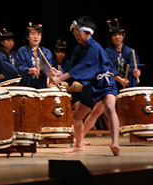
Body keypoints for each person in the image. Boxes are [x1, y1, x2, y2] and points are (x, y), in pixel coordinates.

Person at [49, 16, 121, 156]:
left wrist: (61, 78)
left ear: (88, 33)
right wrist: (58, 72)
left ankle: (115, 144)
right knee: (77, 116)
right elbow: (72, 67)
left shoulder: (94, 47)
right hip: (92, 84)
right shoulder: (78, 49)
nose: (76, 35)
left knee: (110, 108)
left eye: (78, 32)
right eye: (74, 33)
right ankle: (79, 144)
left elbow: (84, 66)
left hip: (105, 82)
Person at [105, 19, 141, 90]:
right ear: (111, 38)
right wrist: (120, 80)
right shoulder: (107, 52)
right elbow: (109, 69)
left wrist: (137, 73)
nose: (117, 37)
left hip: (128, 83)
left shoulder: (131, 51)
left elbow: (134, 68)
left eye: (119, 34)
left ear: (123, 36)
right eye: (114, 35)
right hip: (113, 84)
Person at [15, 23, 53, 89]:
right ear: (27, 37)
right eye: (32, 34)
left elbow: (48, 68)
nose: (36, 37)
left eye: (38, 34)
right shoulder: (22, 50)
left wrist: (48, 78)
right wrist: (31, 70)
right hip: (26, 84)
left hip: (42, 84)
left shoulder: (46, 52)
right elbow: (20, 67)